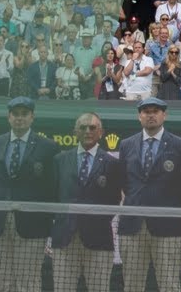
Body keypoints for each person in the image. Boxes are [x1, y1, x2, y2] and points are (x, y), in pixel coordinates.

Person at [0, 96, 58, 292]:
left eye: (24, 114)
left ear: (32, 117)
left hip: (32, 225)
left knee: (28, 282)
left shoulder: (48, 147)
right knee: (3, 282)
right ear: (9, 117)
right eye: (15, 114)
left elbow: (52, 188)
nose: (19, 118)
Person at [120, 97, 181, 292]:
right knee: (132, 285)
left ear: (164, 115)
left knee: (169, 284)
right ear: (139, 116)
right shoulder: (126, 145)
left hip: (168, 227)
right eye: (146, 111)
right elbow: (124, 183)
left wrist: (167, 209)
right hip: (133, 225)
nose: (150, 115)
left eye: (155, 111)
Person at [51, 112, 125, 292]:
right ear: (75, 132)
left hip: (99, 239)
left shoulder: (111, 164)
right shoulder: (60, 160)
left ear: (101, 132)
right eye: (82, 127)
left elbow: (114, 201)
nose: (87, 131)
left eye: (92, 127)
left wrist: (94, 221)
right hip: (64, 238)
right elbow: (53, 196)